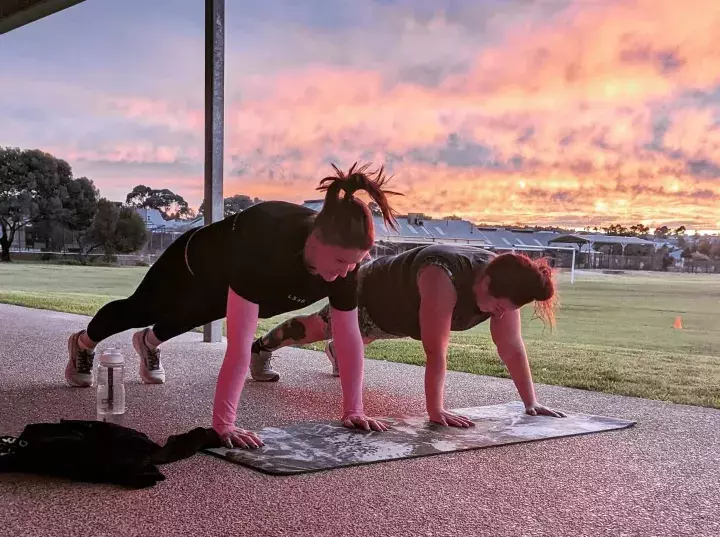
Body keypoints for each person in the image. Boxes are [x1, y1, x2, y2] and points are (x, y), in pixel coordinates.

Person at [64, 162, 401, 449]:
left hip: (233, 280)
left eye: (356, 263)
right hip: (191, 264)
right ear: (316, 239)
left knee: (201, 311)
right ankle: (83, 343)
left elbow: (348, 336)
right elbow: (239, 345)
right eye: (342, 260)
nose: (347, 271)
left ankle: (149, 341)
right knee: (141, 308)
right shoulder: (267, 243)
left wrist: (354, 410)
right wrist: (223, 425)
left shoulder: (345, 268)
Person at [249, 244, 566, 427]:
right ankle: (261, 348)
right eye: (497, 307)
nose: (498, 315)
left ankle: (341, 350)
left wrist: (531, 403)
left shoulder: (505, 284)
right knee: (315, 328)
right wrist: (436, 410)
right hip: (371, 292)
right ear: (484, 283)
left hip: (401, 318)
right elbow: (435, 351)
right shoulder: (442, 276)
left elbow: (511, 349)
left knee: (367, 337)